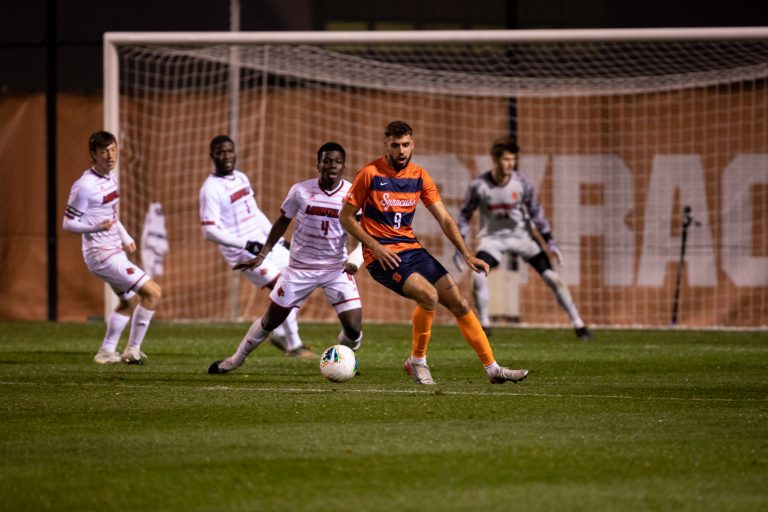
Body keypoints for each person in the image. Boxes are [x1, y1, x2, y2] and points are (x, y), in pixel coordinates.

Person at [339, 120, 528, 385]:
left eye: (406, 145)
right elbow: (346, 217)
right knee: (429, 296)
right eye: (395, 145)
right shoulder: (369, 174)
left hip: (411, 250)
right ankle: (417, 362)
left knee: (460, 303)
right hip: (381, 257)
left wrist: (467, 254)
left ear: (412, 144)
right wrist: (375, 246)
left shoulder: (419, 176)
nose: (401, 151)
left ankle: (493, 369)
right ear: (386, 145)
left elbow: (445, 219)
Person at [208, 142, 364, 374]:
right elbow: (282, 222)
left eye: (337, 161)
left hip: (335, 269)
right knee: (270, 321)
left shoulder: (352, 195)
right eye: (327, 161)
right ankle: (235, 360)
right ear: (318, 164)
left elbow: (365, 233)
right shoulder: (300, 191)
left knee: (353, 329)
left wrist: (356, 258)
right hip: (300, 269)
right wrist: (262, 254)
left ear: (344, 165)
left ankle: (343, 359)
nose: (332, 165)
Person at [456, 136, 593, 340]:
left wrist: (550, 243)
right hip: (492, 239)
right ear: (495, 159)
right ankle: (484, 324)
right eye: (506, 159)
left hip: (522, 237)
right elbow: (465, 216)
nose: (510, 164)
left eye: (513, 159)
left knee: (552, 278)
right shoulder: (479, 186)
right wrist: (461, 247)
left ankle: (579, 324)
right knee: (478, 276)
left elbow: (537, 213)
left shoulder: (522, 184)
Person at [199, 135, 312, 358]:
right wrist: (246, 244)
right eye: (221, 152)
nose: (227, 156)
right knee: (283, 286)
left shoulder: (241, 177)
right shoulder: (210, 189)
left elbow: (255, 212)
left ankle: (278, 332)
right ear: (212, 156)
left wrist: (277, 240)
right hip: (241, 250)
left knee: (299, 279)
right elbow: (209, 231)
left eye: (230, 151)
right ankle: (294, 345)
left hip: (261, 243)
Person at [62, 130, 162, 364]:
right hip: (101, 255)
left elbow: (111, 216)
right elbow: (68, 223)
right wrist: (96, 228)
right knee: (152, 293)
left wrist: (125, 236)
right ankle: (133, 350)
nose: (110, 155)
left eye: (113, 149)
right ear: (93, 154)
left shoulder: (110, 178)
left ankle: (106, 352)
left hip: (114, 250)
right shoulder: (85, 186)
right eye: (104, 151)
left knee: (128, 301)